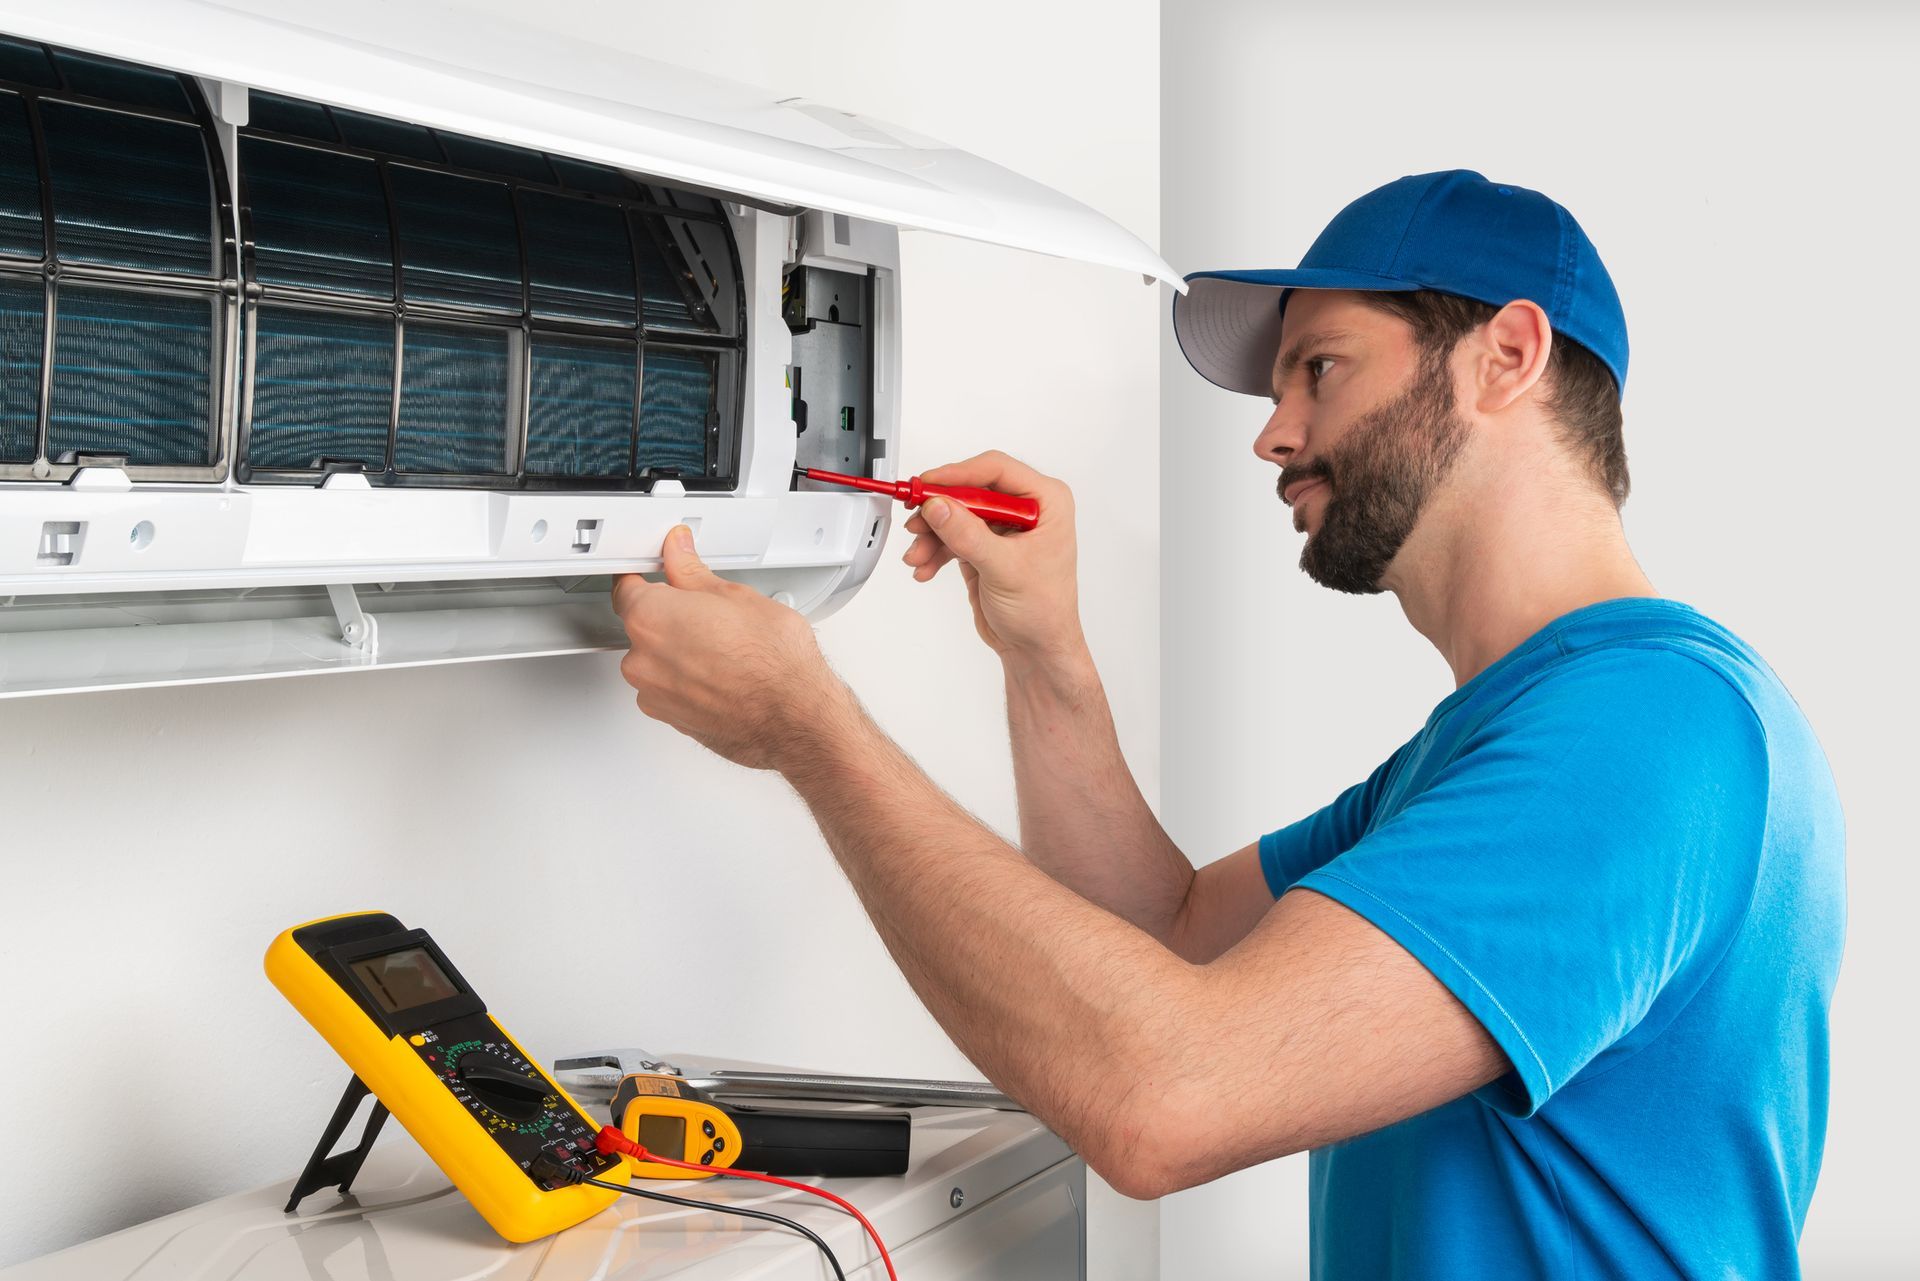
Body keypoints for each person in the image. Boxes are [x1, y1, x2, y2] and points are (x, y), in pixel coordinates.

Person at [610, 170, 1845, 1279]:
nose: (1274, 432)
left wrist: (811, 731)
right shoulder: (1510, 738)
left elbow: (1165, 1095)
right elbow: (1173, 936)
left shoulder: (1644, 734)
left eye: (1321, 367)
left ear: (1507, 357)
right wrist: (1046, 655)